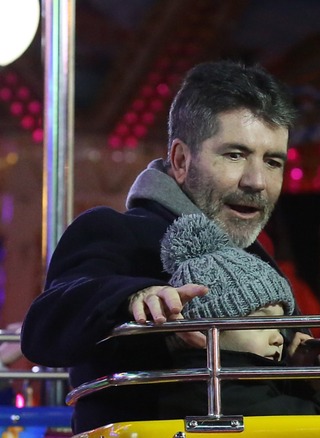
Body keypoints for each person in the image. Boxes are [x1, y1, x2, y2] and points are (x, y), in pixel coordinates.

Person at [20, 60, 300, 432]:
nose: (256, 181)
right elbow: (44, 328)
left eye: (272, 162)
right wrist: (135, 296)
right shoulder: (117, 231)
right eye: (235, 155)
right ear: (181, 160)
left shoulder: (257, 257)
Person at [157, 213, 320, 416]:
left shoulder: (233, 383)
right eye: (261, 322)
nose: (278, 337)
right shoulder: (214, 391)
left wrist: (298, 375)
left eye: (278, 326)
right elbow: (315, 427)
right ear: (206, 331)